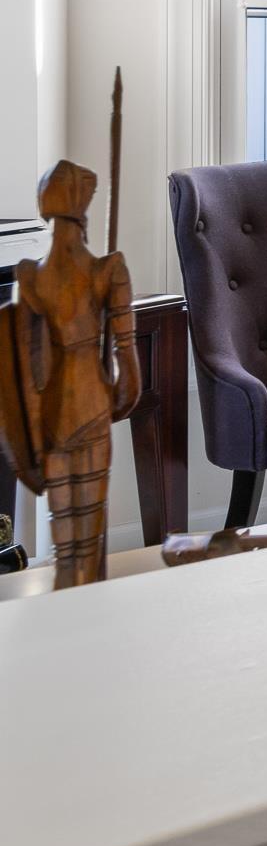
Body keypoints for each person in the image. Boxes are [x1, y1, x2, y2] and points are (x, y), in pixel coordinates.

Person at [0, 161, 143, 586]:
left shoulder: (30, 276)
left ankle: (69, 607)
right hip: (93, 404)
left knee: (67, 541)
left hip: (53, 416)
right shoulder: (108, 269)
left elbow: (27, 369)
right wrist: (119, 397)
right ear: (83, 210)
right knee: (90, 532)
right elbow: (128, 371)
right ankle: (87, 605)